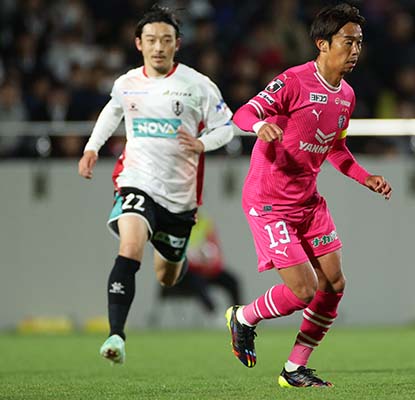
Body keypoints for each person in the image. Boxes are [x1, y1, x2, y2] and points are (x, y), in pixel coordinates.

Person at [226, 3, 392, 388]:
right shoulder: (294, 81)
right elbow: (243, 113)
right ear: (322, 43)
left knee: (334, 284)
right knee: (303, 290)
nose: (355, 50)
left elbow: (336, 149)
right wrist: (260, 126)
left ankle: (294, 369)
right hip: (269, 202)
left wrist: (365, 177)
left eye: (359, 42)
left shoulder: (346, 95)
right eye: (348, 41)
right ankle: (244, 318)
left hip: (307, 202)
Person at [77, 5, 233, 365]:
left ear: (177, 43)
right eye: (151, 40)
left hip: (179, 198)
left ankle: (175, 257)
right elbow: (113, 110)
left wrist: (202, 143)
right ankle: (116, 335)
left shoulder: (197, 85)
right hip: (136, 181)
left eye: (165, 40)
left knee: (167, 276)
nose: (158, 47)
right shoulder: (127, 83)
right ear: (139, 43)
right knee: (130, 247)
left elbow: (226, 127)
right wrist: (91, 148)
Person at [157, 211, 242, 313]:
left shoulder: (204, 223)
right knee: (198, 283)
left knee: (232, 281)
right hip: (183, 274)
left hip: (205, 269)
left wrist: (210, 263)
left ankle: (238, 316)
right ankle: (214, 314)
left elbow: (216, 251)